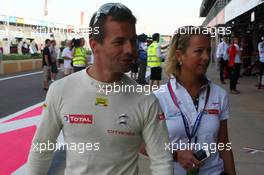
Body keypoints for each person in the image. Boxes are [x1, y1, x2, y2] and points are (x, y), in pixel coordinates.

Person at [27, 3, 173, 175]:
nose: (130, 50)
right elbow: (42, 149)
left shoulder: (145, 99)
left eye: (132, 41)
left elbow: (162, 159)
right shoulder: (60, 90)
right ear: (95, 45)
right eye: (119, 42)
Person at [154, 26, 236, 175]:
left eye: (208, 51)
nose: (206, 57)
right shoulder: (159, 97)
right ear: (179, 56)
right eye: (199, 51)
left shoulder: (219, 94)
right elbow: (141, 144)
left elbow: (223, 143)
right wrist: (175, 154)